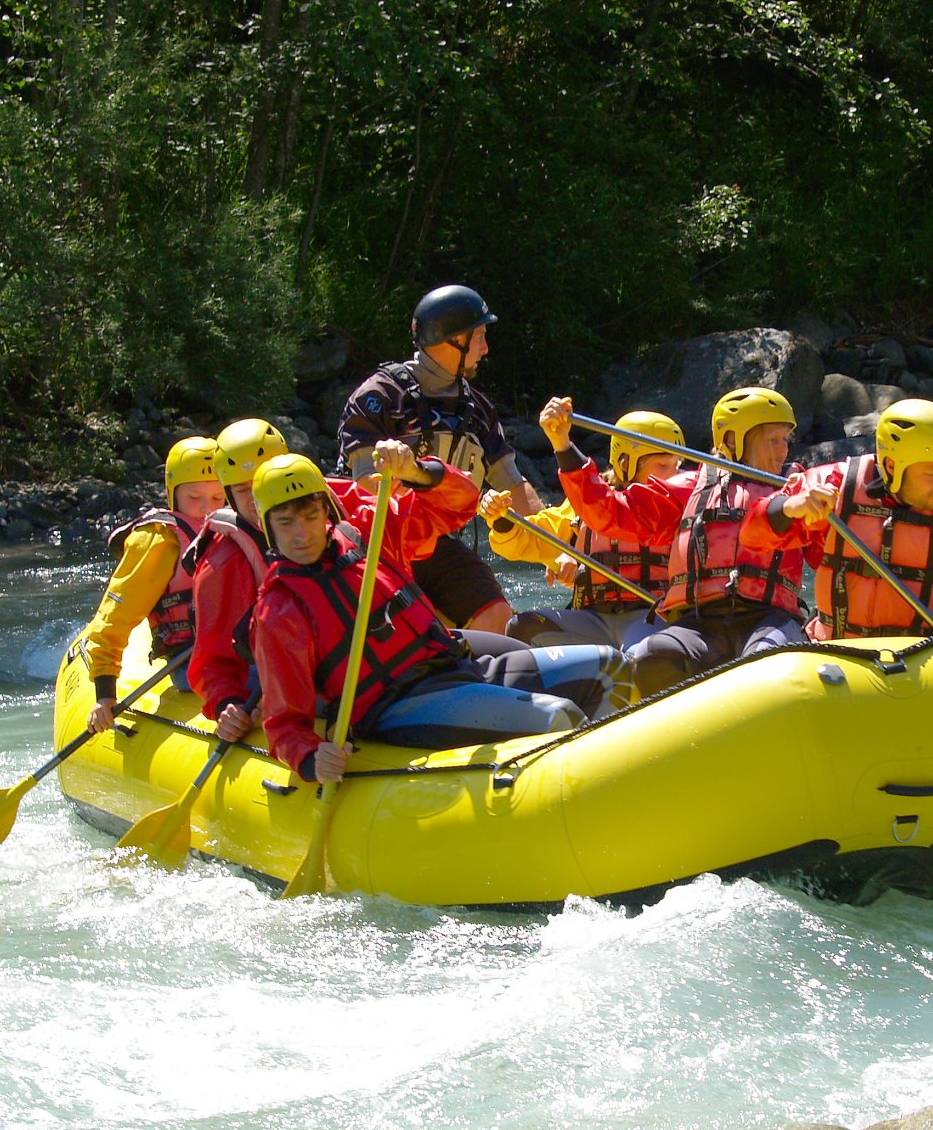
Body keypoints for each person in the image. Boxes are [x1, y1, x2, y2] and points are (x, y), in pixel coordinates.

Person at [250, 453, 630, 780]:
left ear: (326, 511)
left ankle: (620, 791)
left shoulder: (370, 531)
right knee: (556, 717)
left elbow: (459, 502)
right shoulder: (279, 611)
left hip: (457, 666)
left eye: (310, 515)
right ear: (269, 527)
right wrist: (309, 758)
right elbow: (284, 723)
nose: (302, 534)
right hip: (397, 704)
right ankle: (584, 812)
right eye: (286, 522)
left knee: (609, 665)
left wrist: (417, 470)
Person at [742, 398, 933, 702]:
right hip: (839, 662)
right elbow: (753, 536)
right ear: (892, 466)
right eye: (932, 473)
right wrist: (788, 508)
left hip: (928, 671)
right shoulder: (832, 487)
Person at [538, 386, 808, 698]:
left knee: (764, 662)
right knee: (655, 657)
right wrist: (562, 445)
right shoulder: (691, 490)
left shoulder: (798, 491)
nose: (783, 451)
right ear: (734, 440)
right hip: (702, 621)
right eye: (772, 440)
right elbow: (609, 511)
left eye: (785, 440)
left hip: (769, 618)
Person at [335, 284, 542, 636]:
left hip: (436, 543)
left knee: (496, 617)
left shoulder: (476, 410)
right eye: (479, 337)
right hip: (375, 541)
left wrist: (557, 544)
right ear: (454, 339)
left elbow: (513, 485)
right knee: (410, 625)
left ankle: (479, 684)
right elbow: (365, 483)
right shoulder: (380, 396)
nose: (486, 348)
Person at [483, 410, 685, 652]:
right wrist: (501, 520)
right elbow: (526, 539)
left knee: (645, 655)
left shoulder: (678, 506)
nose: (673, 474)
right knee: (522, 628)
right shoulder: (588, 505)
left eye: (677, 464)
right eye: (663, 465)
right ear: (625, 462)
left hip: (650, 617)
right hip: (592, 620)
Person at [82, 435, 223, 733]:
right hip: (192, 663)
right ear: (173, 494)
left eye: (218, 498)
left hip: (236, 653)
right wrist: (104, 694)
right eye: (194, 498)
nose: (206, 508)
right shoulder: (160, 539)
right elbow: (115, 616)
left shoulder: (236, 528)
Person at [183, 417, 288, 745]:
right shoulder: (225, 559)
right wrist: (227, 703)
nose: (258, 497)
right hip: (275, 673)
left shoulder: (322, 509)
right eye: (244, 490)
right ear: (229, 493)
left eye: (265, 483)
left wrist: (419, 474)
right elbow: (214, 655)